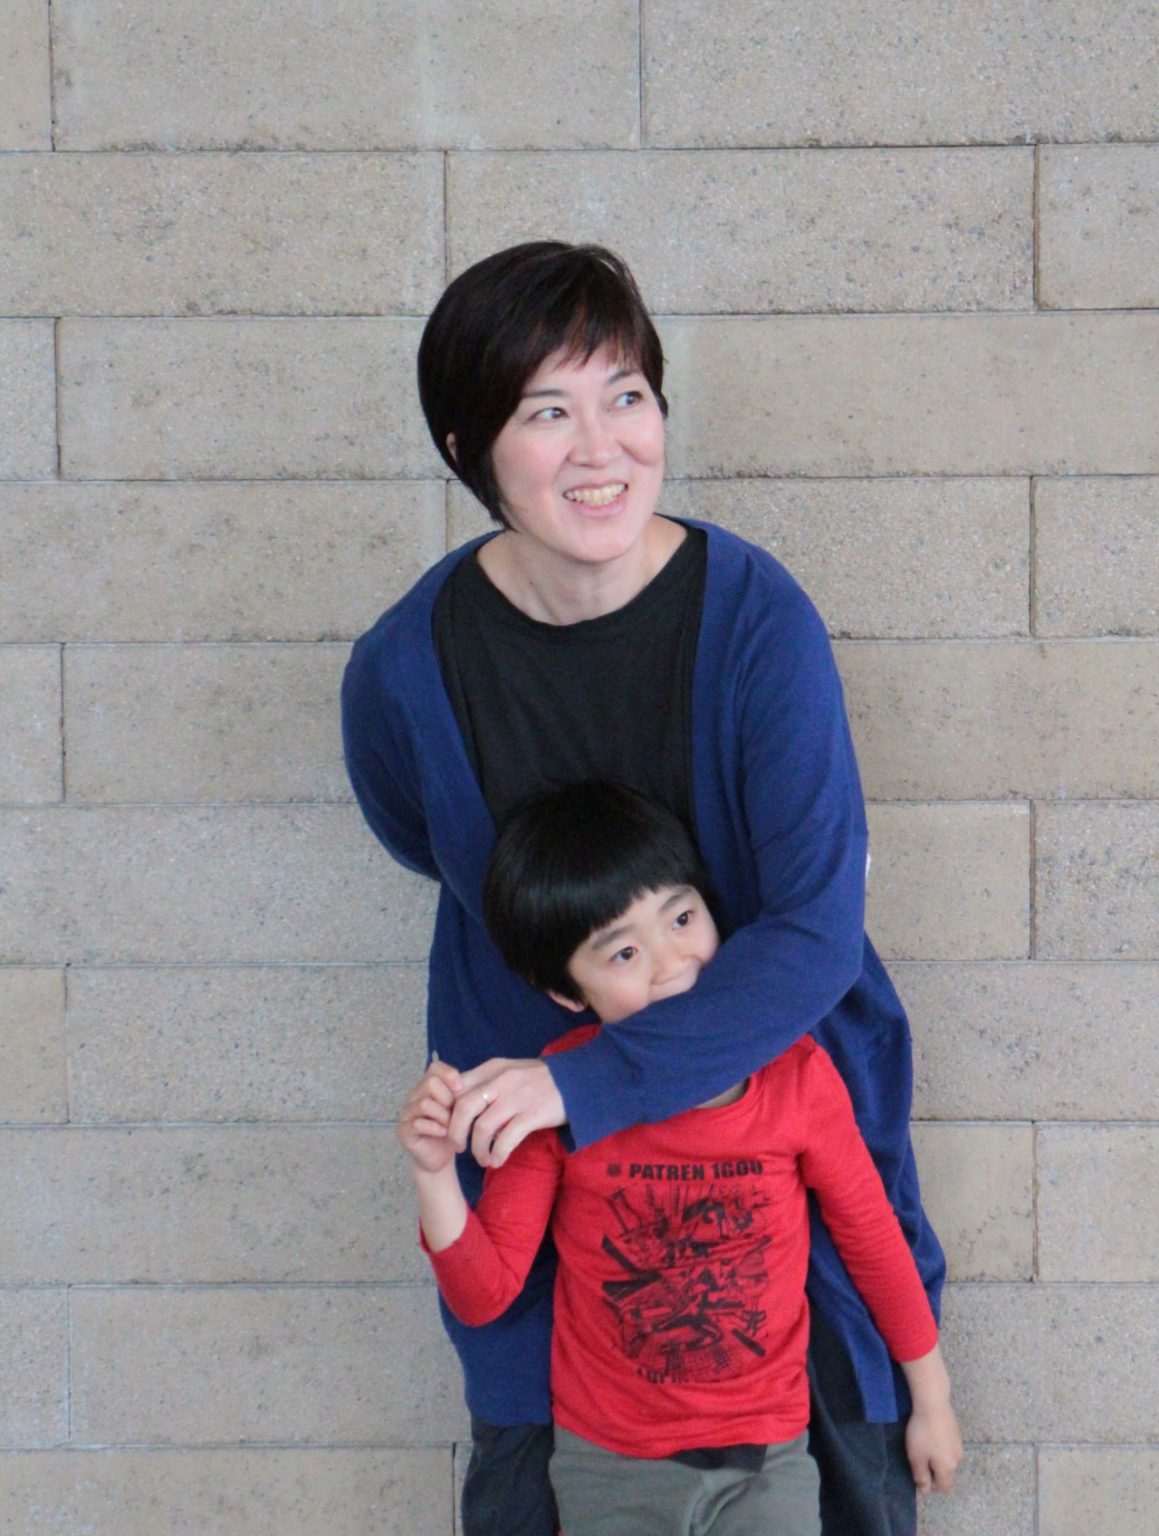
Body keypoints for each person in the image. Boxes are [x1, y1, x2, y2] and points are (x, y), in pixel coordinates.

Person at [341, 240, 946, 1536]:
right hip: (530, 1147)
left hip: (760, 1114)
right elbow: (424, 845)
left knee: (818, 1459)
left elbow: (807, 934)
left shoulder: (753, 623)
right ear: (468, 446)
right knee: (539, 1463)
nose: (598, 446)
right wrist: (545, 1090)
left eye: (624, 395)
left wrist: (591, 1076)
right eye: (543, 411)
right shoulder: (404, 672)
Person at [398, 782, 962, 1536]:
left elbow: (872, 1237)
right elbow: (484, 1294)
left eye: (682, 917)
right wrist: (433, 1173)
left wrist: (932, 1401)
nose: (670, 962)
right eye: (623, 951)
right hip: (609, 1467)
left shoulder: (792, 1076)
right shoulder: (552, 1099)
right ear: (567, 991)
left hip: (769, 1461)